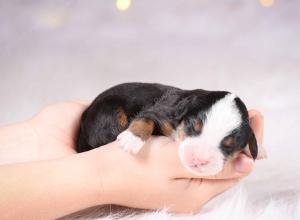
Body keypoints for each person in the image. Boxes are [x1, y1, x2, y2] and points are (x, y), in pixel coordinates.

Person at [0, 101, 264, 219]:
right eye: (194, 130)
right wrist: (104, 173)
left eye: (227, 147)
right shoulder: (171, 110)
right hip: (108, 118)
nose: (201, 155)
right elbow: (150, 118)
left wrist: (33, 136)